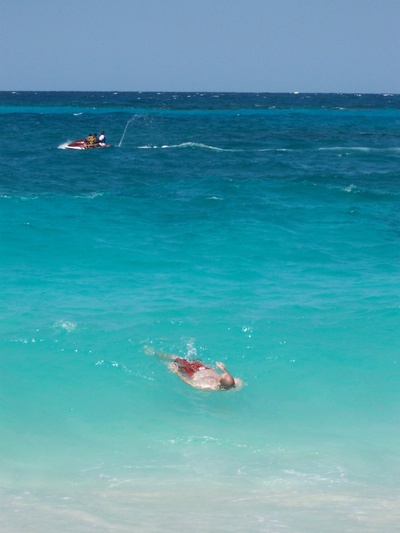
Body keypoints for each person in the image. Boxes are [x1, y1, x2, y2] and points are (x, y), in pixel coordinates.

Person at [146, 348, 242, 391]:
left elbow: (188, 381)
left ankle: (153, 353)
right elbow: (231, 380)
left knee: (175, 358)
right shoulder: (235, 382)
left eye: (222, 375)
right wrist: (224, 369)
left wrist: (176, 372)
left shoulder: (207, 386)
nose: (221, 373)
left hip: (192, 372)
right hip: (203, 367)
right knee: (190, 359)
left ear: (220, 383)